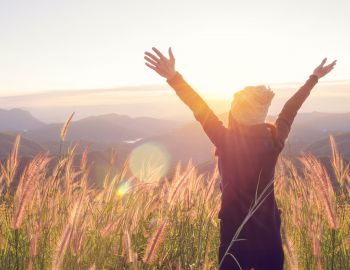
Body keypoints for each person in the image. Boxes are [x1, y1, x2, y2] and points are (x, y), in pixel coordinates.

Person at [144, 47, 336, 270]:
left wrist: (174, 78)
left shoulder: (225, 141)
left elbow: (199, 108)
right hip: (269, 235)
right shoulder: (274, 140)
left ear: (235, 113)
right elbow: (290, 109)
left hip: (234, 237)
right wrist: (314, 78)